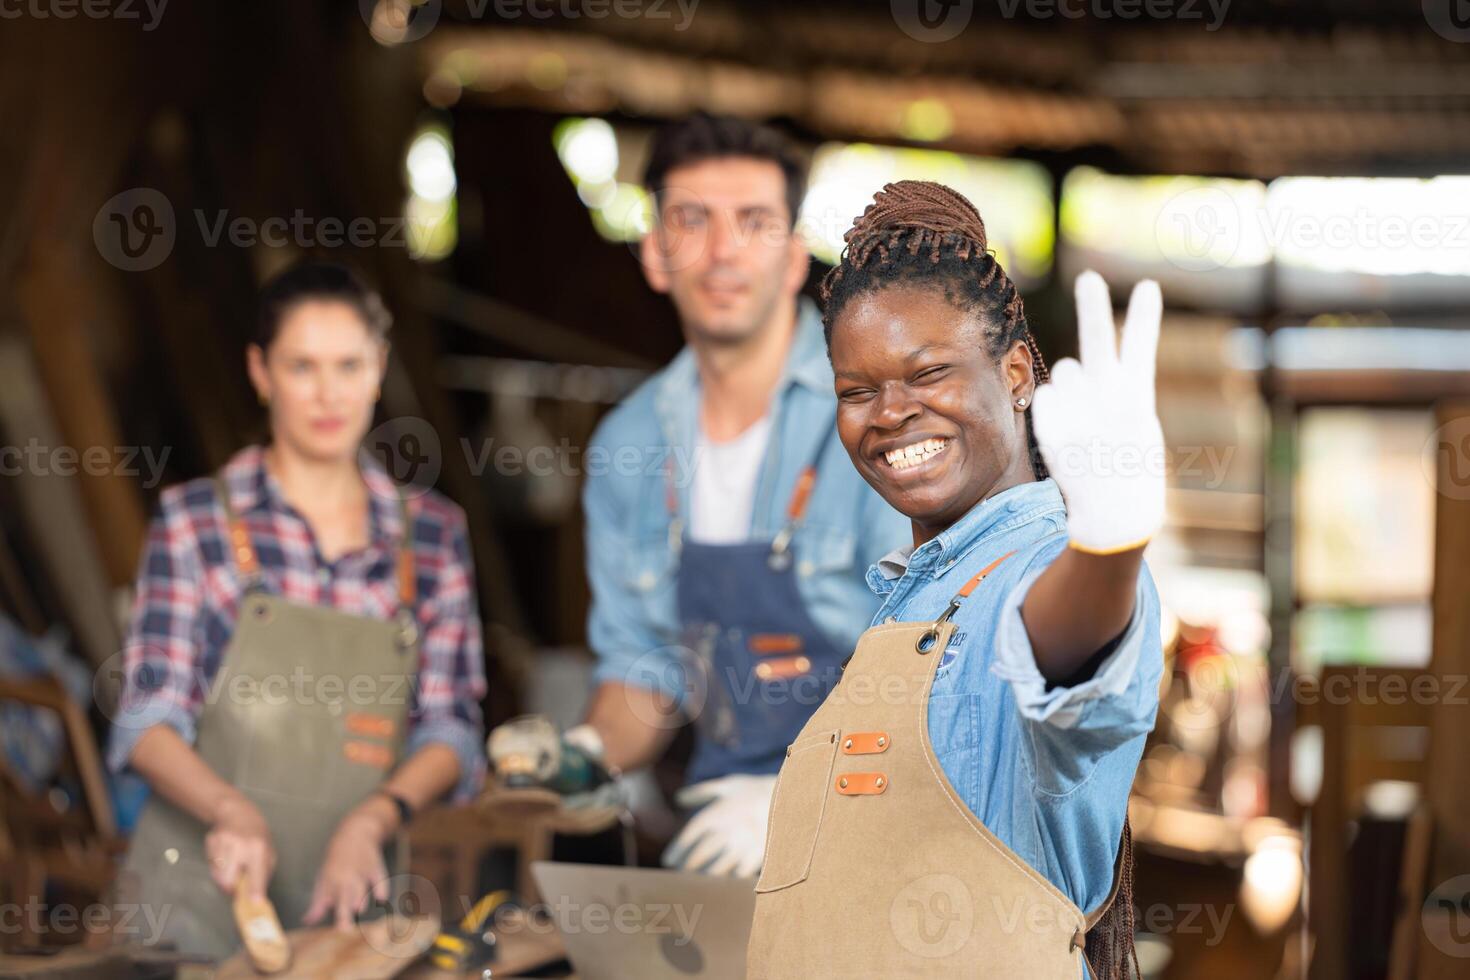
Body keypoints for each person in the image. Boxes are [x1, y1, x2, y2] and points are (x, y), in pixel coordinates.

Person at [746, 181, 1165, 979]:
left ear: (1014, 374)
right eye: (857, 391)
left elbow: (1061, 646)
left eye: (928, 372)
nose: (891, 412)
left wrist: (1110, 545)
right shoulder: (912, 600)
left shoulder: (1044, 570)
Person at [487, 114, 908, 878]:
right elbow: (648, 671)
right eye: (691, 220)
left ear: (790, 257)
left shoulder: (883, 412)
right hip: (725, 838)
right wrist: (585, 755)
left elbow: (936, 663)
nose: (721, 252)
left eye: (753, 222)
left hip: (886, 823)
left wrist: (798, 793)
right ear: (654, 254)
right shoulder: (629, 447)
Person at [106, 261, 487, 957]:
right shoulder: (195, 522)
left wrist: (375, 818)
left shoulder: (432, 539)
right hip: (196, 898)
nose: (327, 393)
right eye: (301, 366)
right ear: (260, 372)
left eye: (348, 365)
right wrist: (227, 809)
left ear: (379, 369)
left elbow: (452, 730)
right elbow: (146, 720)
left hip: (353, 904)